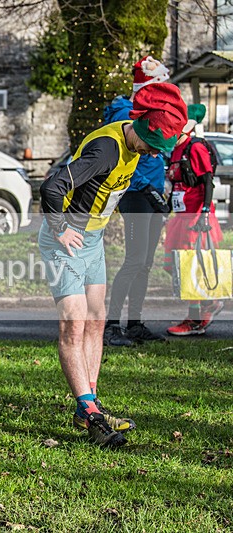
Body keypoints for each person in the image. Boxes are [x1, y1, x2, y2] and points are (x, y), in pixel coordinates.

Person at [39, 81, 187, 448]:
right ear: (144, 130)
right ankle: (90, 412)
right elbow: (53, 187)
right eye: (153, 148)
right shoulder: (107, 148)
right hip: (66, 243)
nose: (154, 155)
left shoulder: (136, 148)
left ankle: (89, 403)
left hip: (92, 242)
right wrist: (60, 230)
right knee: (74, 324)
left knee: (96, 321)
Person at [103, 56, 171, 346]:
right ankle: (111, 325)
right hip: (135, 195)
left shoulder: (146, 113)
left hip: (153, 194)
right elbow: (121, 164)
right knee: (134, 261)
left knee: (145, 263)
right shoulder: (125, 114)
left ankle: (134, 323)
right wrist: (147, 189)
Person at [163, 103, 225, 335]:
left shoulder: (195, 147)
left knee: (192, 266)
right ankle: (206, 305)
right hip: (180, 215)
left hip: (196, 215)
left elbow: (208, 180)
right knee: (175, 265)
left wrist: (206, 211)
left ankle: (197, 316)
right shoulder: (176, 150)